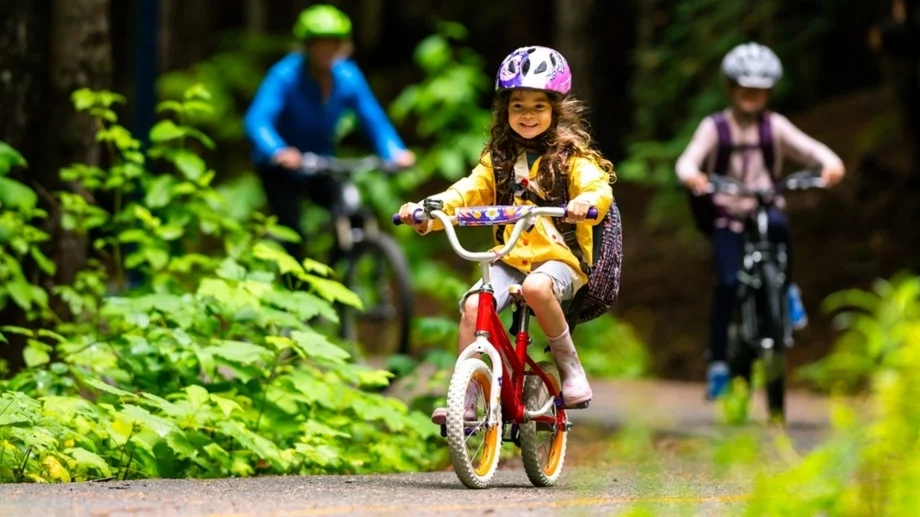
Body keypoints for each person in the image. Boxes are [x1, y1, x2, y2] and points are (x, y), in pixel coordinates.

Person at [397, 46, 615, 424]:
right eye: (518, 106)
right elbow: (464, 192)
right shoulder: (497, 160)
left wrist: (586, 202)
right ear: (505, 111)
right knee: (472, 305)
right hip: (512, 257)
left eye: (538, 106)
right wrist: (428, 210)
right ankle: (464, 397)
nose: (527, 115)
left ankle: (569, 366)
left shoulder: (573, 158)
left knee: (536, 288)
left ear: (556, 110)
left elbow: (598, 188)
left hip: (559, 260)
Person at [675, 42, 845, 400]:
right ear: (732, 88)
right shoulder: (715, 127)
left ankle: (787, 290)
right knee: (727, 282)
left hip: (765, 208)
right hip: (727, 214)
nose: (751, 95)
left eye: (759, 90)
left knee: (780, 228)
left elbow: (812, 150)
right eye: (745, 88)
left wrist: (830, 166)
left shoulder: (775, 126)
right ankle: (719, 362)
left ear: (769, 92)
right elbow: (688, 161)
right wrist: (694, 177)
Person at [244, 4, 415, 258]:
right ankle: (296, 287)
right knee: (292, 233)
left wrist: (394, 151)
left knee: (352, 212)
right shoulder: (284, 75)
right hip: (281, 167)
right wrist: (278, 150)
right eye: (318, 43)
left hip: (322, 163)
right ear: (306, 46)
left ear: (341, 46)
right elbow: (258, 120)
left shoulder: (348, 76)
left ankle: (339, 274)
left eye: (332, 43)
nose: (325, 50)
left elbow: (373, 118)